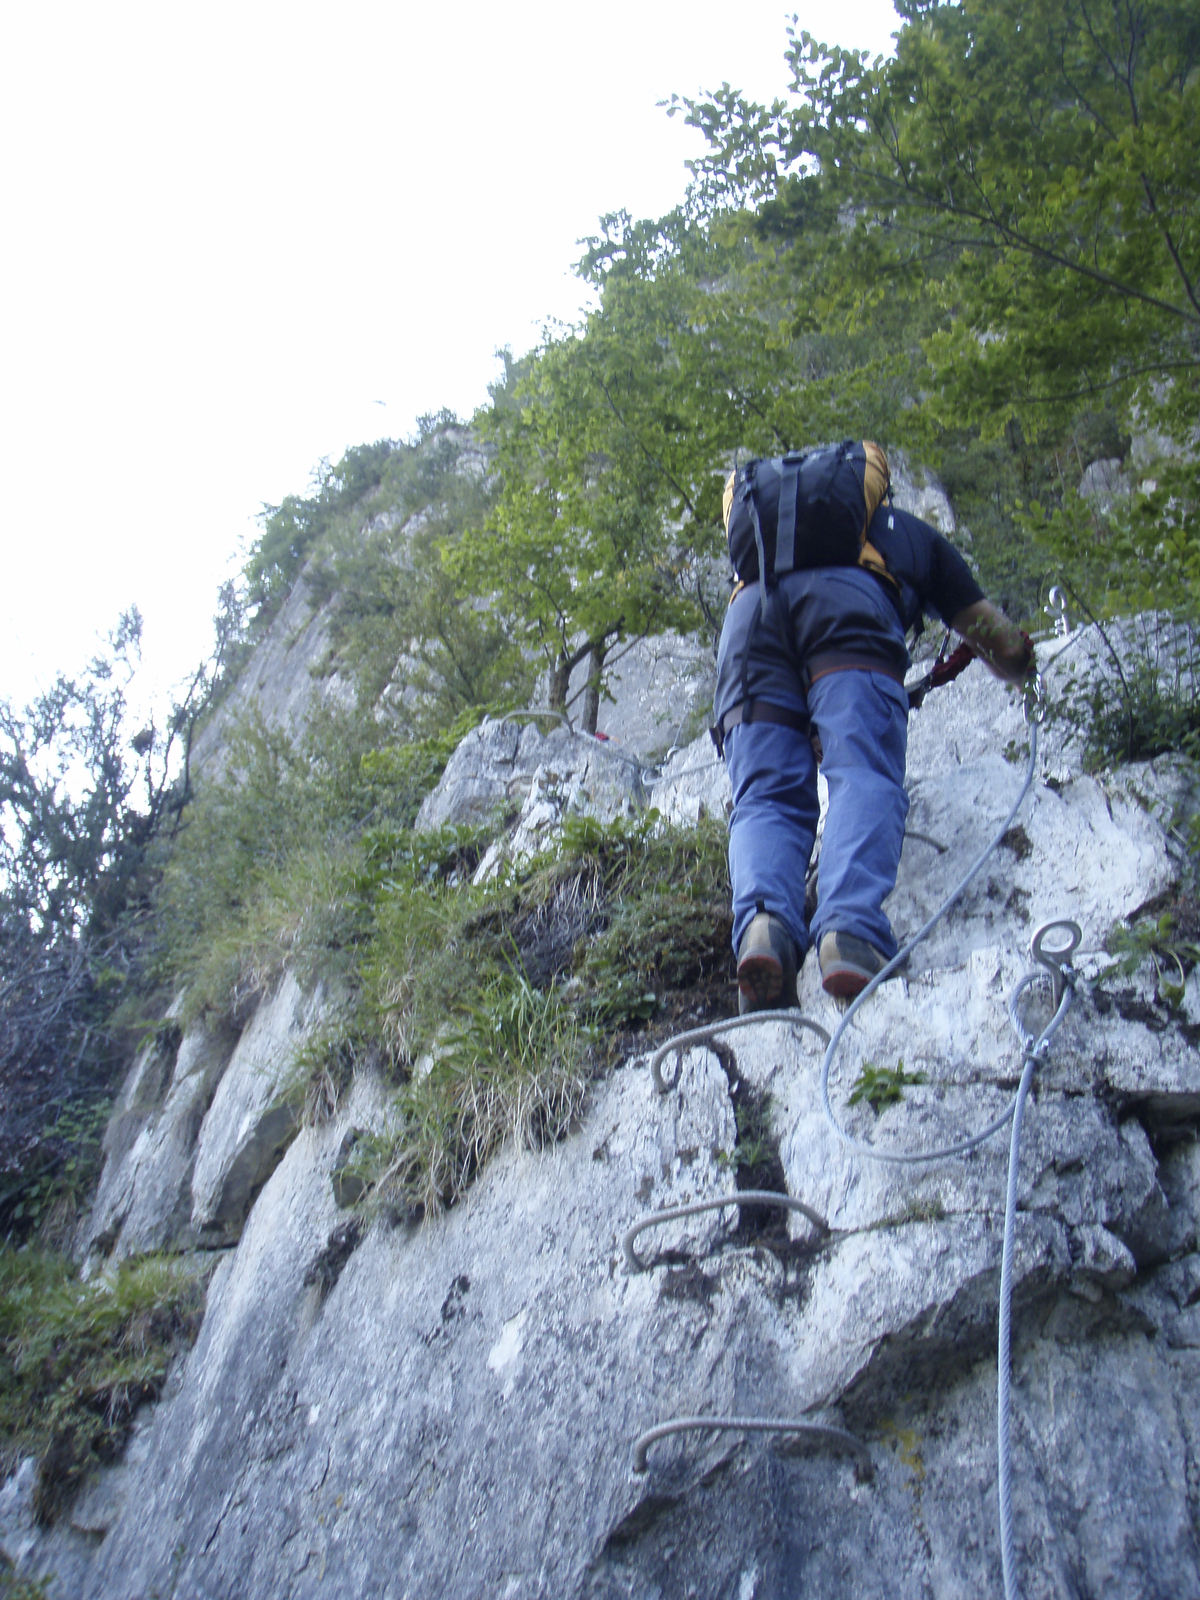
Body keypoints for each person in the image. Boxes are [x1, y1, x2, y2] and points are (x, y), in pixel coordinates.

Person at [712, 494, 1035, 1013]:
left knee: (765, 798)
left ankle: (764, 928)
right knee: (862, 774)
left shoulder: (765, 549)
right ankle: (848, 932)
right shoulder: (908, 534)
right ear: (870, 493)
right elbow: (991, 636)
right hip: (850, 616)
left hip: (748, 627)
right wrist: (1024, 667)